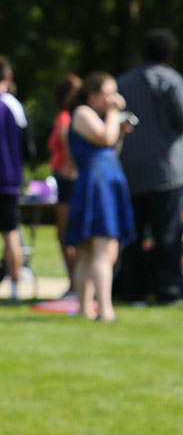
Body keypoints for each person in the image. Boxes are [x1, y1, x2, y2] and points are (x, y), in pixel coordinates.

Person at [115, 28, 183, 304]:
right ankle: (168, 290)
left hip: (131, 170)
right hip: (167, 171)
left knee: (133, 235)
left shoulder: (123, 83)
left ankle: (133, 289)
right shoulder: (172, 81)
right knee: (168, 234)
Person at [66, 72, 136, 321]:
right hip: (96, 186)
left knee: (91, 250)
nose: (115, 98)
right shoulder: (83, 112)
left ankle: (86, 309)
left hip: (105, 182)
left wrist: (121, 133)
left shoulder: (100, 117)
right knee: (101, 248)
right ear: (93, 95)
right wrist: (115, 115)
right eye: (109, 92)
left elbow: (110, 149)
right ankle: (104, 309)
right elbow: (105, 138)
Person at [48, 74, 83, 298]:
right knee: (69, 235)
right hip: (67, 180)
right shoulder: (69, 117)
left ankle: (75, 285)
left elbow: (67, 146)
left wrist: (71, 167)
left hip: (67, 180)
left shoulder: (65, 118)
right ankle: (75, 283)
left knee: (66, 235)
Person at [0, 56, 28, 301]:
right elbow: (28, 147)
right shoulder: (13, 106)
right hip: (8, 180)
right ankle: (15, 289)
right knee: (11, 234)